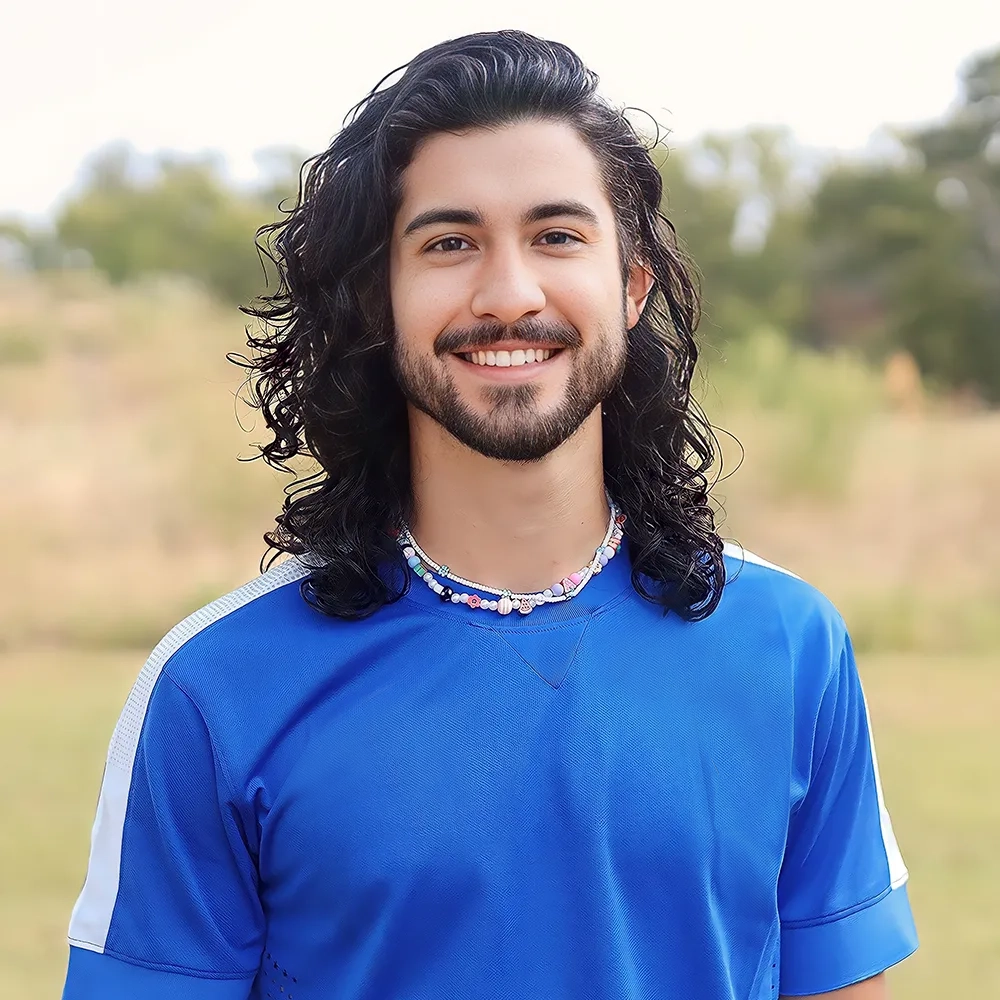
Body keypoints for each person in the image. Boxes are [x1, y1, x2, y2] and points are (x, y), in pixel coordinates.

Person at [61, 29, 918, 1000]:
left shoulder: (789, 645)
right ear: (382, 296)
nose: (508, 293)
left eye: (557, 236)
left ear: (630, 284)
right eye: (450, 242)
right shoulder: (212, 690)